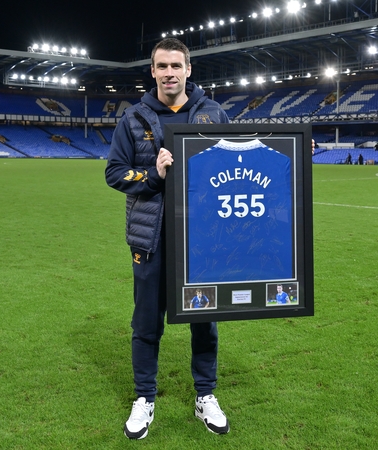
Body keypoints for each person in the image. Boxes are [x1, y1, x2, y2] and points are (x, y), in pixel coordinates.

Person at [105, 37, 231, 440]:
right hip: (151, 239)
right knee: (146, 324)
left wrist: (294, 150)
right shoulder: (134, 118)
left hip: (201, 239)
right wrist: (152, 177)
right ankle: (145, 399)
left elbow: (238, 161)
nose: (170, 73)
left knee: (204, 321)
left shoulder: (213, 113)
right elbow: (114, 172)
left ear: (189, 70)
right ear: (153, 71)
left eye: (177, 65)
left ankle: (205, 396)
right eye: (162, 66)